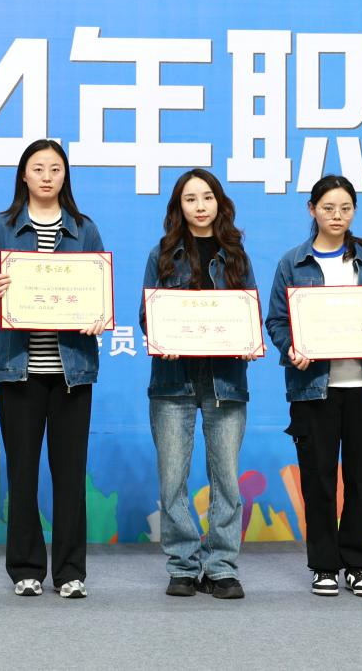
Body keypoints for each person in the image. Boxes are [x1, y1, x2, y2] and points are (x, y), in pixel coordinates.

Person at [265, 174, 362, 598]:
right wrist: (292, 348)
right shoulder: (292, 263)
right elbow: (277, 320)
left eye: (345, 208)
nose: (337, 215)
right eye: (328, 208)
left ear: (354, 212)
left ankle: (360, 565)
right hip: (315, 388)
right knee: (319, 481)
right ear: (311, 209)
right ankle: (325, 565)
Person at [0, 139, 106, 600]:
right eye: (38, 168)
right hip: (19, 371)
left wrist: (99, 314)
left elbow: (99, 292)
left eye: (55, 168)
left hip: (72, 374)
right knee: (22, 473)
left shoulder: (84, 229)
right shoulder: (2, 226)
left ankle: (70, 571)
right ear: (24, 175)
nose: (47, 176)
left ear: (65, 176)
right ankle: (26, 568)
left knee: (70, 476)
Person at [140, 168, 260, 601]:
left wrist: (250, 341)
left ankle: (222, 567)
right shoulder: (161, 254)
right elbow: (147, 314)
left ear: (219, 203)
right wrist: (162, 337)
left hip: (225, 380)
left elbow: (249, 311)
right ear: (179, 207)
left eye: (207, 197)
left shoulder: (236, 254)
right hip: (173, 380)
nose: (200, 206)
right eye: (190, 199)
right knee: (172, 479)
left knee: (225, 478)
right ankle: (183, 565)